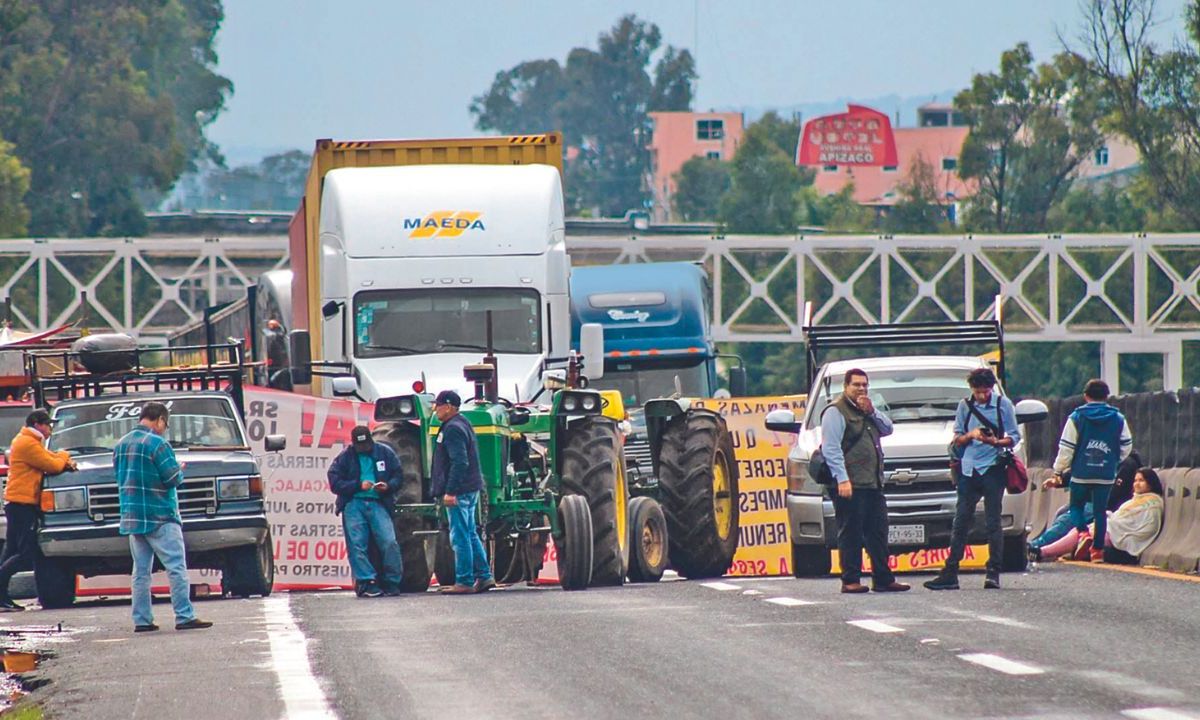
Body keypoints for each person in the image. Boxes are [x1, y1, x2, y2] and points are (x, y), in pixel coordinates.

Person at [113, 402, 212, 632]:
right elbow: (171, 479)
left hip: (133, 517)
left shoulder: (121, 444)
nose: (164, 428)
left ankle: (142, 620)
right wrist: (179, 469)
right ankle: (184, 615)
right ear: (159, 420)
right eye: (164, 424)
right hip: (161, 515)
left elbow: (119, 477)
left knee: (140, 572)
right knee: (176, 567)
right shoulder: (158, 444)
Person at [925, 367, 1019, 591]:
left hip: (993, 468)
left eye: (985, 392)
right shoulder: (965, 406)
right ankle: (950, 572)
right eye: (977, 392)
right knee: (960, 522)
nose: (981, 396)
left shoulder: (1002, 405)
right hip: (968, 469)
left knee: (993, 522)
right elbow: (957, 437)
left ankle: (993, 572)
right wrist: (972, 435)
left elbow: (1014, 436)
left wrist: (995, 442)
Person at [821, 369, 909, 594]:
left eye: (864, 385)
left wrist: (872, 411)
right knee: (850, 532)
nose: (861, 389)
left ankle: (883, 578)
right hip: (850, 483)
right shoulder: (835, 411)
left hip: (872, 483)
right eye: (856, 385)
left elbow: (888, 429)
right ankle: (850, 579)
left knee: (878, 532)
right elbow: (831, 449)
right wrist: (842, 479)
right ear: (846, 386)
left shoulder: (867, 409)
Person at [1046, 379, 1133, 563]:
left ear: (1085, 396)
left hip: (1081, 473)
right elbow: (1126, 445)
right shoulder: (1118, 418)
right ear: (1106, 397)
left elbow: (1066, 447)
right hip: (1106, 474)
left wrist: (1058, 471)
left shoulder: (1076, 417)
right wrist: (1114, 462)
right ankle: (1097, 552)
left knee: (1076, 507)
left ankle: (1084, 534)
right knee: (1100, 511)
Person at [0, 409, 77, 611]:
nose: (50, 428)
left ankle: (2, 596)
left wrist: (60, 458)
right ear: (36, 424)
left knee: (12, 550)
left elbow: (49, 457)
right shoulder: (27, 443)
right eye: (47, 424)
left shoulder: (30, 442)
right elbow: (51, 464)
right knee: (26, 553)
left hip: (17, 503)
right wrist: (64, 456)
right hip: (21, 504)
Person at [431, 390, 496, 595]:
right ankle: (484, 576)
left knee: (459, 536)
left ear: (449, 406)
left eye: (438, 405)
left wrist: (450, 491)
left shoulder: (453, 429)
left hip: (459, 490)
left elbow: (460, 462)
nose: (435, 409)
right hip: (470, 487)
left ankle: (465, 581)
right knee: (470, 533)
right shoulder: (463, 423)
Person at [327, 425, 404, 597]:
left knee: (389, 541)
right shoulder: (345, 457)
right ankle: (367, 581)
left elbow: (398, 475)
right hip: (353, 503)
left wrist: (388, 486)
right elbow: (334, 481)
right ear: (353, 444)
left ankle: (392, 581)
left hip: (378, 502)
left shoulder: (385, 453)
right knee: (356, 544)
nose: (364, 450)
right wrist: (356, 485)